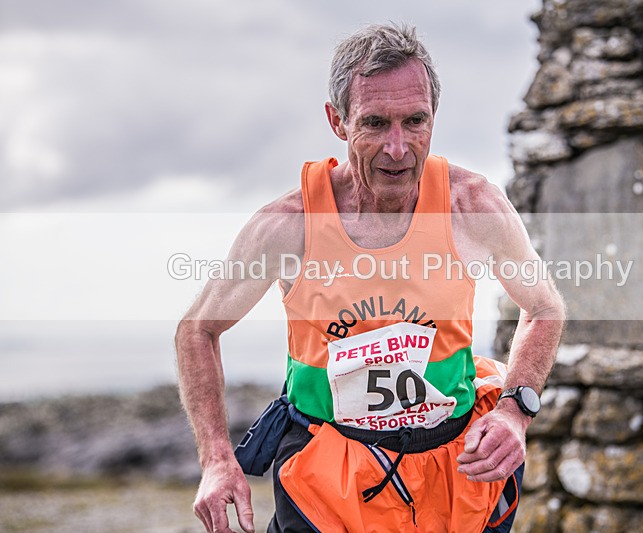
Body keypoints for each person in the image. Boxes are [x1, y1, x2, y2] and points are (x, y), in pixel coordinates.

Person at [176, 22, 565, 533]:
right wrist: (217, 459)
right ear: (337, 121)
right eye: (376, 123)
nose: (398, 148)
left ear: (434, 117)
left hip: (455, 473)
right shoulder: (289, 226)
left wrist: (515, 410)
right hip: (328, 477)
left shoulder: (472, 207)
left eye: (415, 121)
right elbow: (197, 330)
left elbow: (544, 308)